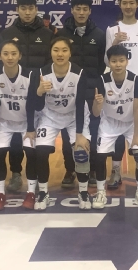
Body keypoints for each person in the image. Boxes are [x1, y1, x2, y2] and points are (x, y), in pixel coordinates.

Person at [25, 37, 91, 211]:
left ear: (70, 53)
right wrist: (39, 92)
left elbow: (80, 104)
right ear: (50, 52)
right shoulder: (41, 73)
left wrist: (79, 135)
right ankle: (43, 192)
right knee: (41, 151)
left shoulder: (79, 73)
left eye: (64, 50)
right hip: (50, 116)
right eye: (56, 50)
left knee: (81, 152)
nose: (60, 54)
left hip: (74, 115)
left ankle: (83, 192)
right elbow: (33, 104)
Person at [0, 0, 52, 188]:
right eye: (23, 8)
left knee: (33, 140)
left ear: (36, 9)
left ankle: (34, 180)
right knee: (14, 141)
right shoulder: (7, 33)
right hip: (13, 93)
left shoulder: (47, 34)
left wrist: (42, 87)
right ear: (17, 10)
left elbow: (50, 63)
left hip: (37, 92)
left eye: (31, 8)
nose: (27, 12)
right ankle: (16, 173)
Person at [104, 0, 138, 189]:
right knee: (118, 125)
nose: (128, 6)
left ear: (137, 4)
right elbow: (106, 60)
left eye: (131, 2)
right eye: (124, 3)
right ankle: (115, 171)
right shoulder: (111, 30)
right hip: (118, 83)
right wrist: (115, 43)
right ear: (120, 5)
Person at [57, 0, 107, 189]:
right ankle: (70, 170)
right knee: (68, 133)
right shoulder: (62, 33)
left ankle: (92, 170)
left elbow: (102, 64)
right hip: (68, 91)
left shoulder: (99, 34)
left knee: (92, 131)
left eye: (85, 9)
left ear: (90, 11)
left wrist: (94, 84)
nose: (81, 12)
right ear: (72, 10)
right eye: (77, 8)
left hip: (91, 89)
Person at [91, 45, 138, 209]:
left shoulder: (136, 80)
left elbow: (137, 109)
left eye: (121, 60)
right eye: (114, 61)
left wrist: (136, 135)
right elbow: (95, 113)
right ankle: (100, 192)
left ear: (127, 61)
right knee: (100, 157)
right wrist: (97, 103)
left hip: (131, 123)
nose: (118, 64)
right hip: (109, 122)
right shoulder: (102, 80)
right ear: (109, 62)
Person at [0, 40, 32, 211]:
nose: (10, 57)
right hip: (4, 122)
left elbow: (34, 104)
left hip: (26, 121)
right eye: (5, 54)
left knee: (31, 153)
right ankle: (0, 193)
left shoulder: (30, 75)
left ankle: (31, 192)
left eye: (14, 53)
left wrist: (31, 128)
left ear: (20, 55)